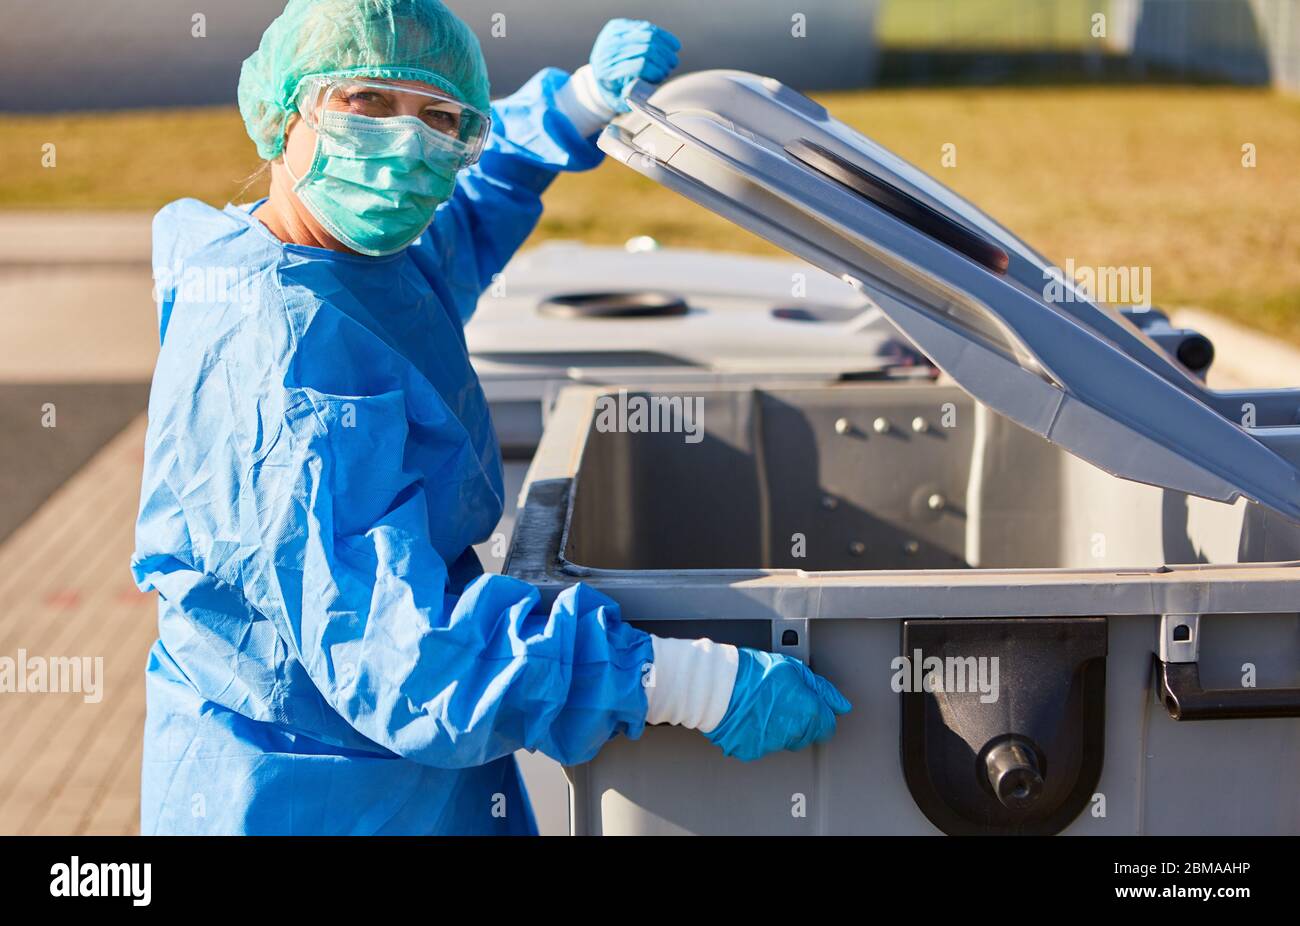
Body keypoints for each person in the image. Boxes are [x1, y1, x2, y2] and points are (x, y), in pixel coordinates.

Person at [133, 0, 850, 835]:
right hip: (305, 795)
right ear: (285, 110)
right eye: (367, 102)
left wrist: (575, 104)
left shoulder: (357, 261)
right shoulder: (281, 360)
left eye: (439, 117)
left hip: (398, 782)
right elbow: (403, 657)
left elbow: (463, 218)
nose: (406, 146)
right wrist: (687, 684)